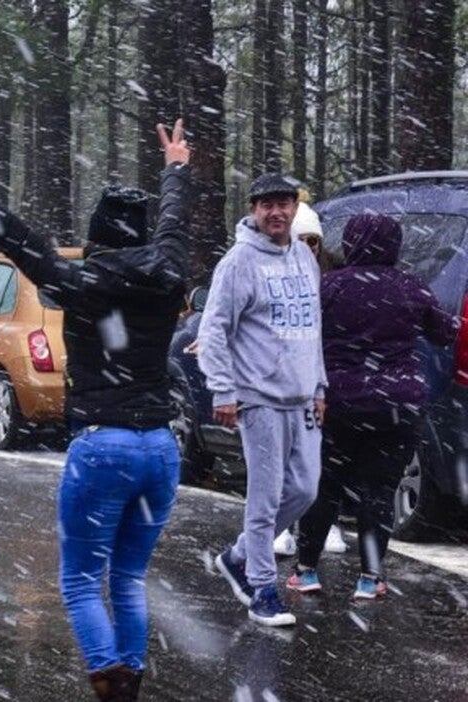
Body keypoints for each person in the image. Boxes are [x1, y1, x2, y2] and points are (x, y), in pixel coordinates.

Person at [0, 122, 191, 702]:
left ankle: (111, 681)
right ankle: (129, 682)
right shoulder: (169, 271)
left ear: (96, 238)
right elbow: (174, 225)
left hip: (104, 445)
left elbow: (17, 238)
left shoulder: (80, 280)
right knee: (129, 577)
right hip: (160, 447)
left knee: (81, 581)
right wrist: (176, 169)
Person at [287, 214, 458, 600]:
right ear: (395, 245)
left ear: (350, 243)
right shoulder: (411, 287)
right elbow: (445, 332)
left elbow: (302, 334)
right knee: (379, 491)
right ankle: (370, 577)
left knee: (325, 486)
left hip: (338, 402)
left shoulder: (329, 286)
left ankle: (306, 569)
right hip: (397, 405)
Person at [198, 173, 327, 628]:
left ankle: (237, 557)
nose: (276, 212)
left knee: (305, 489)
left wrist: (319, 386)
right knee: (265, 498)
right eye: (267, 205)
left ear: (295, 207)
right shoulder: (238, 263)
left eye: (284, 203)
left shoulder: (304, 258)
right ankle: (262, 589)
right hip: (259, 398)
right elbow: (213, 330)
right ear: (254, 210)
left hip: (301, 398)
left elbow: (312, 326)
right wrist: (223, 390)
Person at [273, 201, 347, 557]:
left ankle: (324, 522)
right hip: (280, 378)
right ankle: (280, 525)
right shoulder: (267, 271)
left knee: (320, 458)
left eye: (312, 241)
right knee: (280, 457)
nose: (307, 248)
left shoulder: (333, 279)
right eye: (299, 240)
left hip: (324, 376)